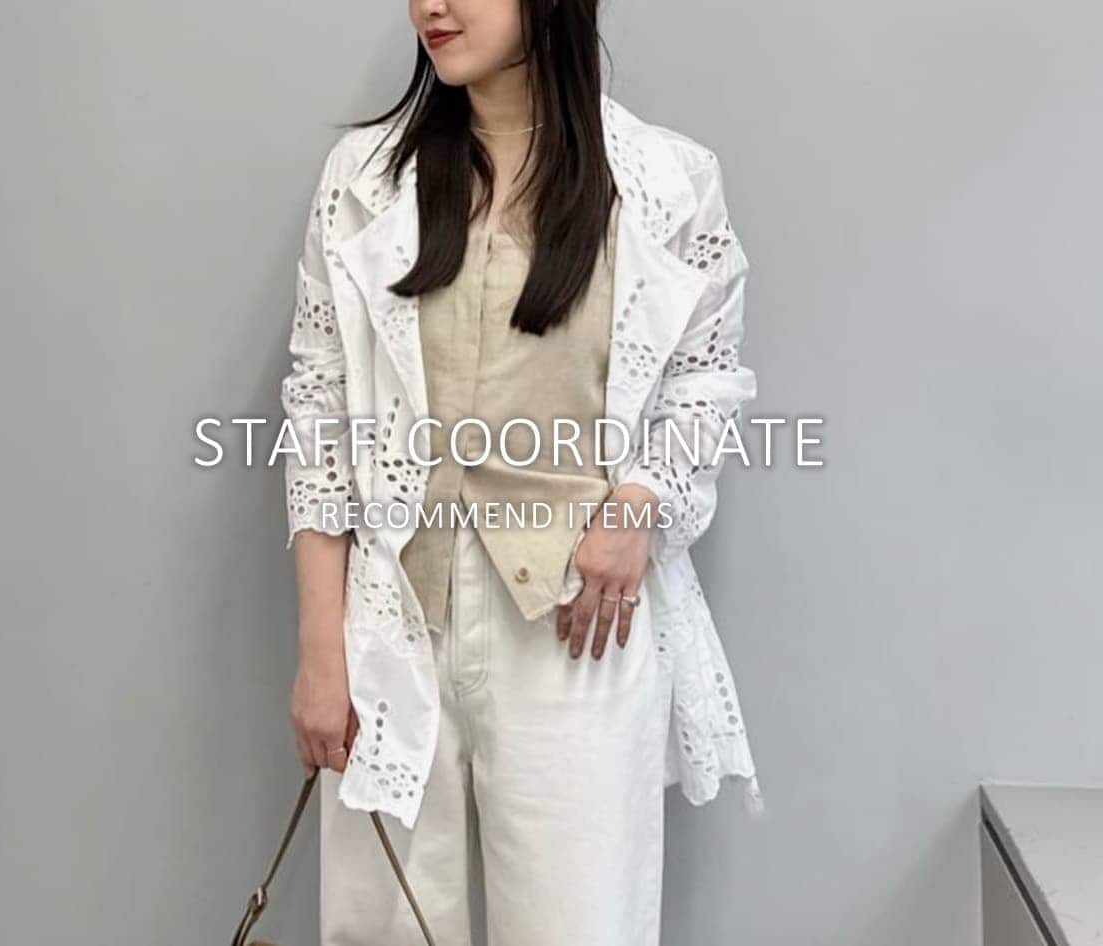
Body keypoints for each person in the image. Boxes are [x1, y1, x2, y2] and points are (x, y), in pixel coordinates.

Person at [280, 1, 764, 943]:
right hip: (394, 622)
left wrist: (638, 504)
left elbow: (706, 377)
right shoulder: (365, 179)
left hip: (573, 626)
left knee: (577, 926)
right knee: (385, 928)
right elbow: (319, 410)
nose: (431, 5)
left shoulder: (666, 181)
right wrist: (321, 650)